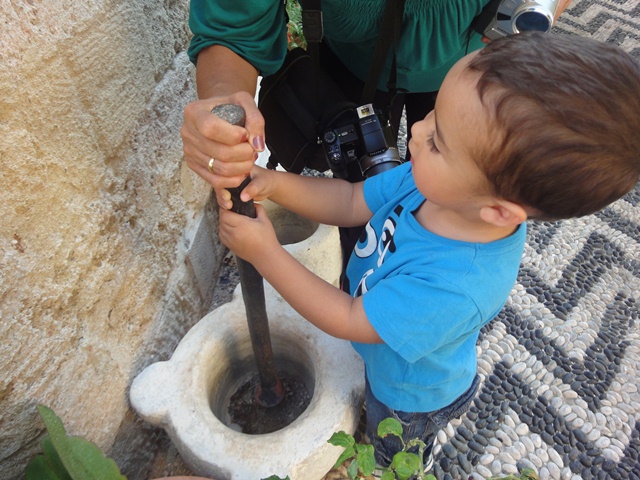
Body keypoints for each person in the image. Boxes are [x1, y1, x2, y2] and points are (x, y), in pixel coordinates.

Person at [217, 32, 640, 474]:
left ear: (498, 211)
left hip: (408, 396)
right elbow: (350, 200)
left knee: (394, 453)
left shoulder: (456, 284)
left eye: (438, 141)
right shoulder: (432, 185)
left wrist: (265, 253)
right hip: (383, 343)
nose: (416, 131)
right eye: (433, 115)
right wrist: (275, 184)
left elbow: (349, 318)